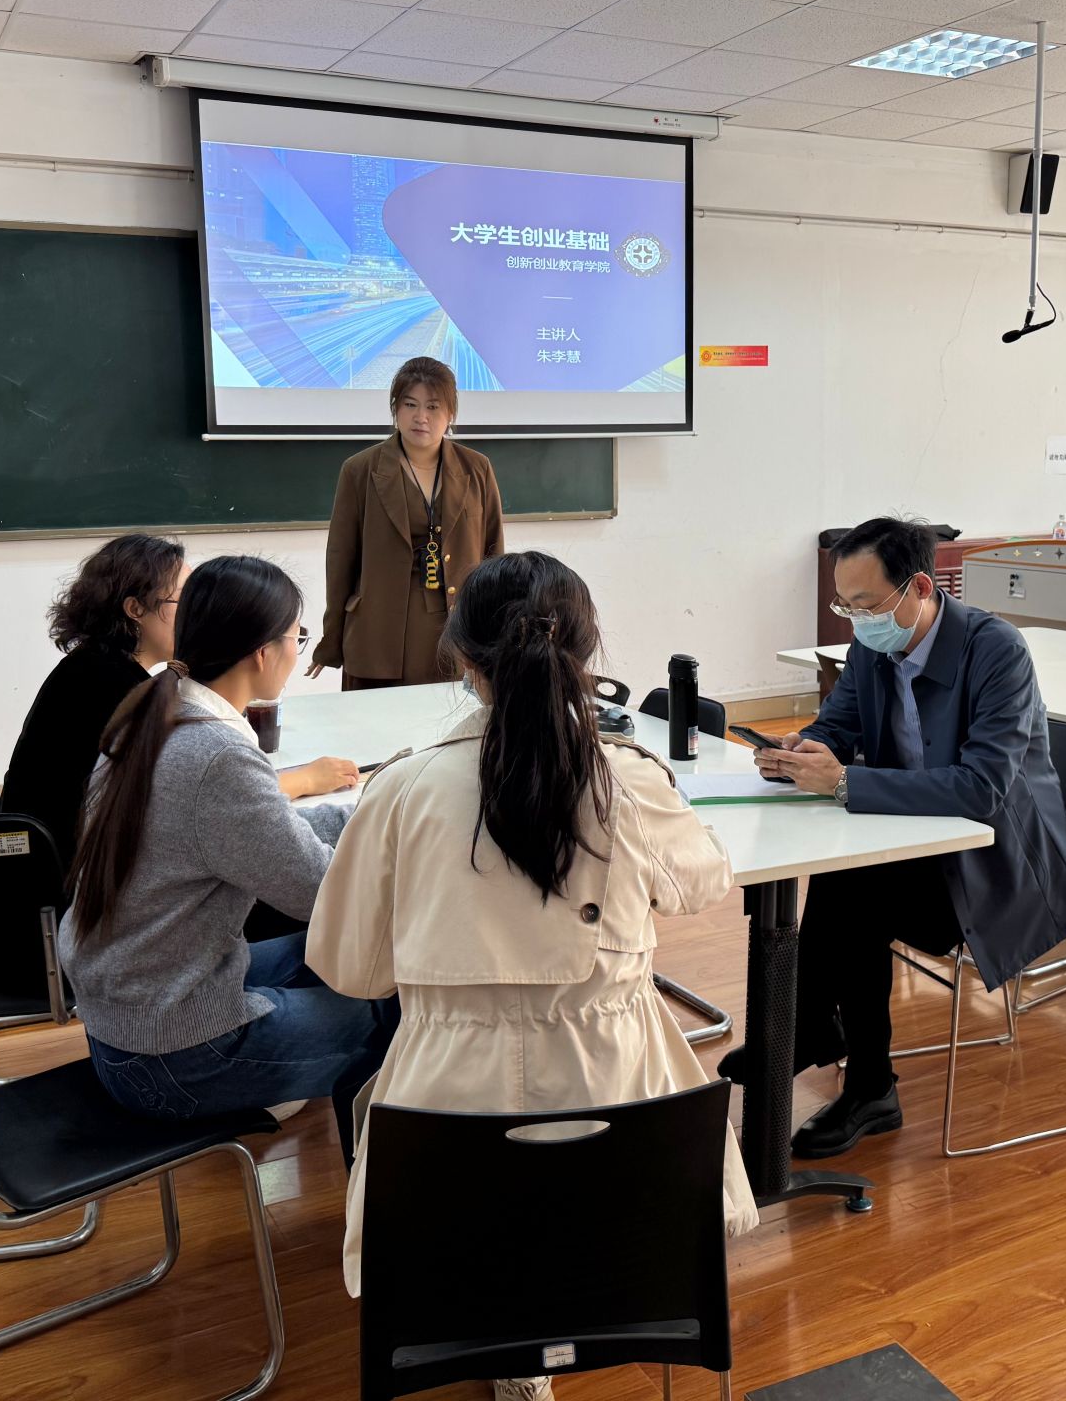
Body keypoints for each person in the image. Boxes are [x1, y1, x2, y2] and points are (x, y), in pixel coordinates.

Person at [309, 552, 757, 1401]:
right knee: (597, 1212)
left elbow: (350, 968)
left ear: (462, 659)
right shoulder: (627, 779)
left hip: (445, 1118)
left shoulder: (400, 789)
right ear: (585, 656)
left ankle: (517, 1358)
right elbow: (703, 884)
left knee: (485, 1222)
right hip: (626, 1114)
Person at [748, 517, 1066, 1160]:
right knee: (846, 876)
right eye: (845, 607)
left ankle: (843, 1059)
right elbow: (839, 724)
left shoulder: (997, 651)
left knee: (855, 894)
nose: (857, 621)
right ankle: (824, 1040)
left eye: (867, 605)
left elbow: (982, 790)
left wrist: (844, 782)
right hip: (915, 843)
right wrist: (803, 749)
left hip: (996, 862)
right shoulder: (872, 646)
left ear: (921, 589)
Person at [59, 555, 391, 1157]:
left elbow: (263, 831)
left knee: (329, 955)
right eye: (297, 637)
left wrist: (368, 817)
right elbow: (325, 895)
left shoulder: (155, 711)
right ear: (262, 652)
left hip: (131, 1015)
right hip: (173, 1058)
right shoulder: (217, 757)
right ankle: (376, 1187)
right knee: (406, 1013)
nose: (296, 652)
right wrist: (408, 851)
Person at [310, 357, 504, 690]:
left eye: (433, 407)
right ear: (395, 408)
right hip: (377, 630)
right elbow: (341, 560)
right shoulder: (360, 470)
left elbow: (494, 553)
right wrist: (331, 640)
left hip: (455, 628)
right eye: (410, 404)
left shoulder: (476, 468)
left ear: (451, 414)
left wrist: (495, 635)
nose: (421, 417)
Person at [0, 533, 185, 860]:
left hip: (43, 849)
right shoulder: (114, 686)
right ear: (135, 608)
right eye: (184, 601)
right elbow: (179, 796)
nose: (195, 614)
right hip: (64, 866)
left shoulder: (92, 663)